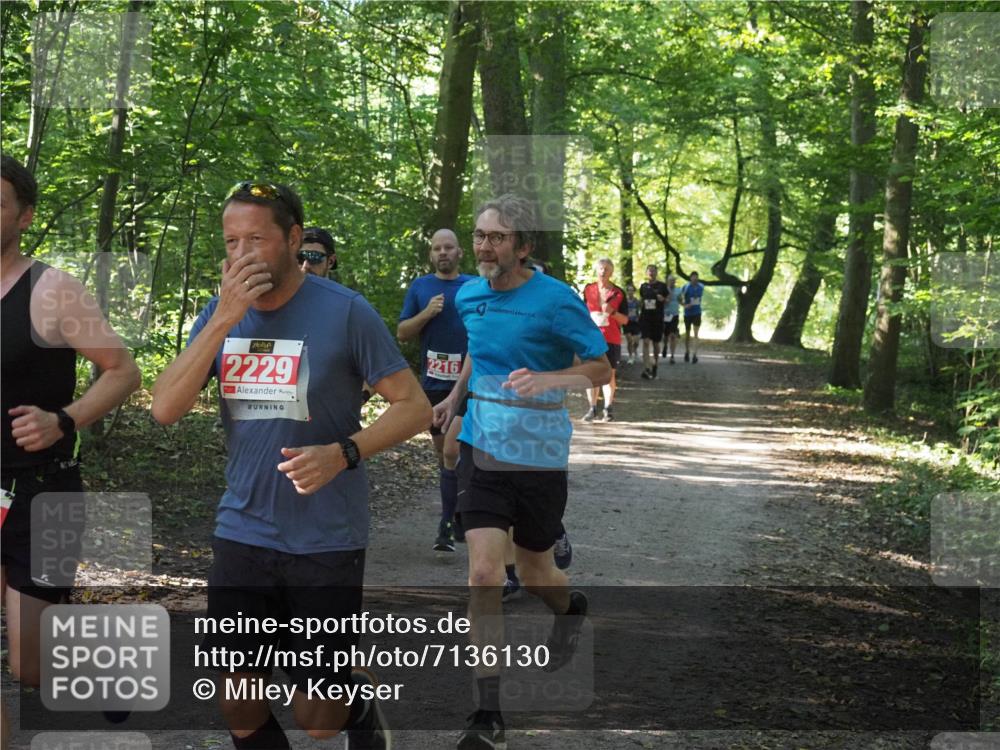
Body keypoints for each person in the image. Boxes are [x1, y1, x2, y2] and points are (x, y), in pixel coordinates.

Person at [151, 180, 430, 750]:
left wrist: (345, 451)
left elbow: (415, 406)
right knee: (237, 694)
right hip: (243, 528)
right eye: (232, 241)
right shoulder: (221, 313)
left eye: (257, 238)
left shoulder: (345, 312)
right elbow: (164, 408)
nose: (242, 253)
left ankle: (356, 706)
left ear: (294, 239)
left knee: (317, 721)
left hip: (325, 538)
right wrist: (225, 317)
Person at [431, 194, 610, 750]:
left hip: (538, 456)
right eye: (480, 235)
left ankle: (569, 607)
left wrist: (550, 380)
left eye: (497, 237)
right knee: (484, 574)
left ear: (524, 246)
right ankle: (488, 714)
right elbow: (477, 356)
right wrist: (455, 401)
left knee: (536, 575)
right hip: (482, 448)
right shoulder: (469, 295)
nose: (484, 246)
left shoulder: (556, 301)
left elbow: (601, 367)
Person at [1, 155, 141, 746]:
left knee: (28, 666)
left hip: (40, 490)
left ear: (24, 216)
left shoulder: (52, 290)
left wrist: (64, 419)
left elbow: (123, 371)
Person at [397, 229, 475, 552]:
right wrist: (427, 313)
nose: (443, 252)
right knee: (444, 456)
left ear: (459, 252)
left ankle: (445, 527)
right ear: (431, 254)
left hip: (467, 383)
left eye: (449, 247)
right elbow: (402, 333)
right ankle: (456, 513)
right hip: (432, 384)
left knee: (452, 452)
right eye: (437, 248)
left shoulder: (473, 287)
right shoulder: (421, 287)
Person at [581, 259, 628, 422]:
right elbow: (580, 312)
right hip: (591, 339)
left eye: (607, 269)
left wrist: (613, 313)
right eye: (601, 268)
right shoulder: (588, 289)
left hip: (611, 338)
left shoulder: (618, 293)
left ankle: (608, 408)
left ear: (612, 272)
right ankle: (592, 408)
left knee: (609, 375)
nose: (603, 271)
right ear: (596, 270)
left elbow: (626, 320)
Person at [638, 264, 668, 379]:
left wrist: (663, 299)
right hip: (645, 318)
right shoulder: (643, 286)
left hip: (657, 319)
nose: (651, 273)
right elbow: (642, 300)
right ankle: (646, 368)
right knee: (645, 342)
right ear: (646, 273)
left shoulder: (662, 286)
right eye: (649, 271)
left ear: (656, 273)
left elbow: (668, 300)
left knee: (656, 344)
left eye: (653, 271)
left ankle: (655, 364)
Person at [682, 271, 706, 364]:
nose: (695, 278)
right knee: (687, 334)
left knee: (696, 334)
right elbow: (680, 297)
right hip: (688, 313)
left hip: (697, 312)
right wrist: (685, 305)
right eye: (693, 277)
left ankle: (694, 354)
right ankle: (687, 351)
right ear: (690, 278)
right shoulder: (686, 287)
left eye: (696, 277)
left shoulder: (701, 286)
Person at [661, 275, 683, 364]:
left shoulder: (678, 290)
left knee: (673, 335)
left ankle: (672, 356)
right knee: (665, 335)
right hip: (665, 315)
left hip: (675, 315)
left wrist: (685, 304)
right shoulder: (663, 290)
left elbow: (680, 300)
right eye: (670, 281)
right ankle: (665, 346)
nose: (672, 282)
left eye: (673, 281)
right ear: (667, 281)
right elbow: (660, 301)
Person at [624, 283, 641, 365]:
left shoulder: (637, 301)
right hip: (627, 323)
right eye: (629, 290)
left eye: (632, 290)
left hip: (635, 323)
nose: (630, 292)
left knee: (636, 341)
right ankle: (631, 356)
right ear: (627, 292)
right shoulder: (624, 302)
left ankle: (635, 350)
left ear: (634, 291)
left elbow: (640, 311)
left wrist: (639, 318)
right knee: (629, 341)